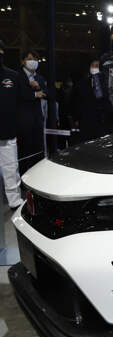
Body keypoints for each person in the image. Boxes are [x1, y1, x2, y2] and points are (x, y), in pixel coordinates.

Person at [0, 40, 24, 210]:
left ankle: (14, 200)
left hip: (7, 131)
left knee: (10, 169)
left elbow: (20, 103)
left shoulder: (13, 76)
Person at [16, 49, 47, 176]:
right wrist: (34, 94)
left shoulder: (40, 77)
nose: (33, 61)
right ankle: (23, 178)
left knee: (38, 150)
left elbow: (46, 93)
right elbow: (17, 95)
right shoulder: (16, 76)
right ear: (23, 61)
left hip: (37, 119)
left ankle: (38, 177)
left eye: (35, 59)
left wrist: (38, 87)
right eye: (29, 59)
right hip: (23, 120)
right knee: (24, 151)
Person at [71, 58, 107, 144]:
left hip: (102, 121)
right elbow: (77, 102)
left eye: (97, 66)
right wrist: (76, 118)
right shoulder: (82, 83)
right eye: (92, 66)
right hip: (86, 121)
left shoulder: (106, 82)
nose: (94, 68)